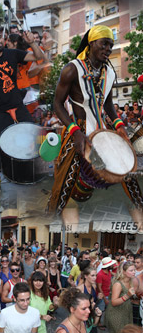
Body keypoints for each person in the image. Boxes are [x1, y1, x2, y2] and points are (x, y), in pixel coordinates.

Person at [48, 25, 143, 215]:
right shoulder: (71, 70)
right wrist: (75, 132)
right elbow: (57, 104)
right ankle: (52, 213)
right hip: (78, 128)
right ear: (91, 43)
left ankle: (140, 204)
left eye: (110, 45)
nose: (108, 49)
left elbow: (108, 104)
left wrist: (119, 125)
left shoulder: (109, 72)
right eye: (104, 44)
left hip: (103, 128)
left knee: (126, 168)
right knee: (65, 178)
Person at [0, 28, 45, 195]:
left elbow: (38, 57)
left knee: (34, 135)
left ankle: (34, 168)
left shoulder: (12, 53)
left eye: (0, 37)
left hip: (18, 106)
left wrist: (32, 42)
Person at [105, 261, 136, 333]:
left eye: (134, 270)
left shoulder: (130, 281)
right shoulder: (118, 284)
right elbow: (113, 302)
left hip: (125, 312)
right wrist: (127, 296)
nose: (134, 272)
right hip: (116, 314)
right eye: (131, 270)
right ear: (124, 272)